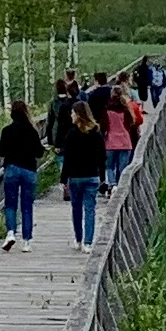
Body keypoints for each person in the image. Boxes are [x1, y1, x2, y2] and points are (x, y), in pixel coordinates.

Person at [51, 83, 110, 245]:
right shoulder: (96, 133)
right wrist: (103, 177)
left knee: (76, 209)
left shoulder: (71, 134)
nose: (71, 115)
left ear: (78, 114)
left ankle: (78, 239)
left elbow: (68, 157)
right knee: (90, 210)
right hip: (92, 175)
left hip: (75, 177)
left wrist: (63, 179)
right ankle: (88, 243)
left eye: (72, 113)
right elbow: (102, 157)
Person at [0, 96, 44, 244]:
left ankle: (10, 232)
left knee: (10, 203)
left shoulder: (7, 130)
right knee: (27, 205)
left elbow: (2, 152)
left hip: (12, 169)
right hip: (29, 170)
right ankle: (27, 241)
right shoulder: (32, 131)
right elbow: (39, 152)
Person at [99, 71, 142, 188]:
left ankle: (112, 185)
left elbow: (103, 127)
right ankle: (120, 186)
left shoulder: (107, 110)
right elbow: (132, 123)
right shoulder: (126, 110)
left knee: (109, 166)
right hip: (125, 141)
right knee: (122, 168)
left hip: (111, 142)